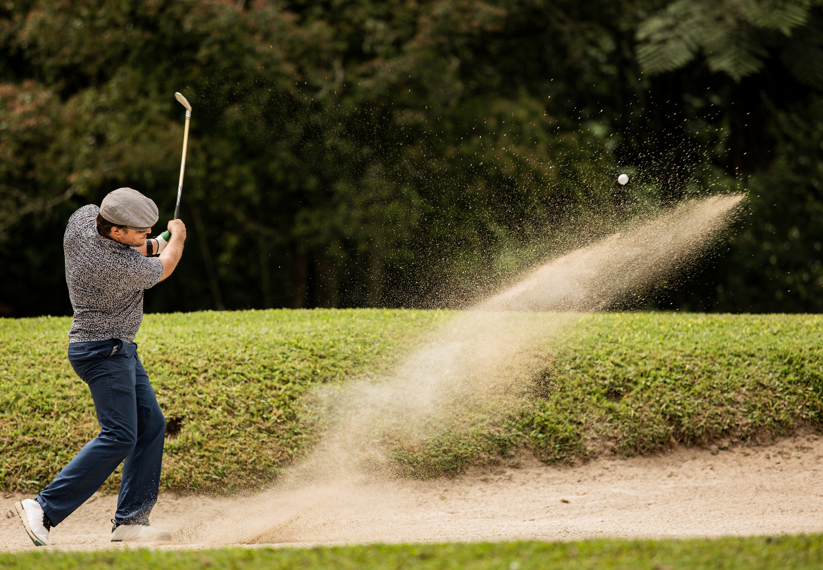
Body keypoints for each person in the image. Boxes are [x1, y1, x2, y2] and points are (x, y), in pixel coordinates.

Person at [15, 187, 187, 546]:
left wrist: (156, 240)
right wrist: (178, 237)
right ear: (115, 231)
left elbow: (145, 249)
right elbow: (165, 266)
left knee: (151, 423)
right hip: (103, 352)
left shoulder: (83, 219)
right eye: (138, 230)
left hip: (113, 349)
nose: (145, 233)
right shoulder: (116, 266)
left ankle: (130, 521)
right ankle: (43, 508)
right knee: (121, 434)